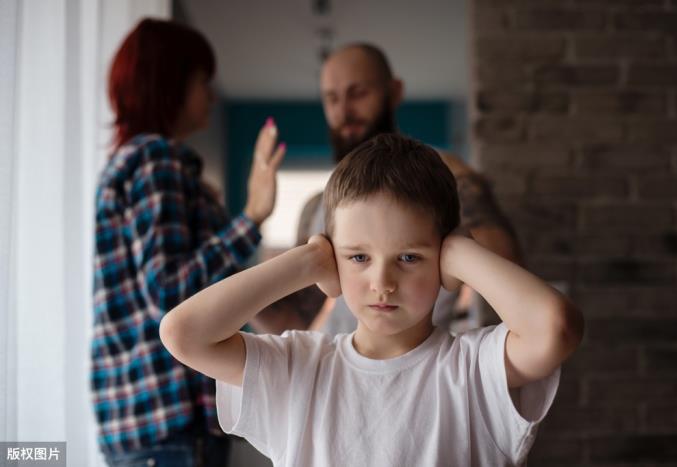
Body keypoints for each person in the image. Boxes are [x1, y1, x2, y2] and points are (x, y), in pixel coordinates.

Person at [160, 134, 584, 467]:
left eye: (408, 257)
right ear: (333, 255)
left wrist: (461, 253)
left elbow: (556, 328)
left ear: (441, 257)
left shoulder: (473, 369)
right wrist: (306, 262)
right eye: (358, 257)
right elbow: (182, 333)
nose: (382, 282)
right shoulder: (298, 366)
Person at [91, 18, 285, 466]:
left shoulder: (134, 162)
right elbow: (170, 292)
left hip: (142, 421)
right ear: (170, 83)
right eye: (203, 81)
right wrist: (252, 216)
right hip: (167, 421)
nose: (212, 96)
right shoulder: (156, 159)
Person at [250, 42, 520, 336]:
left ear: (394, 92)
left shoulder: (446, 178)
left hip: (423, 368)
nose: (344, 112)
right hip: (343, 372)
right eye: (332, 99)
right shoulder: (318, 206)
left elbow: (506, 272)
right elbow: (296, 321)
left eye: (358, 93)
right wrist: (250, 221)